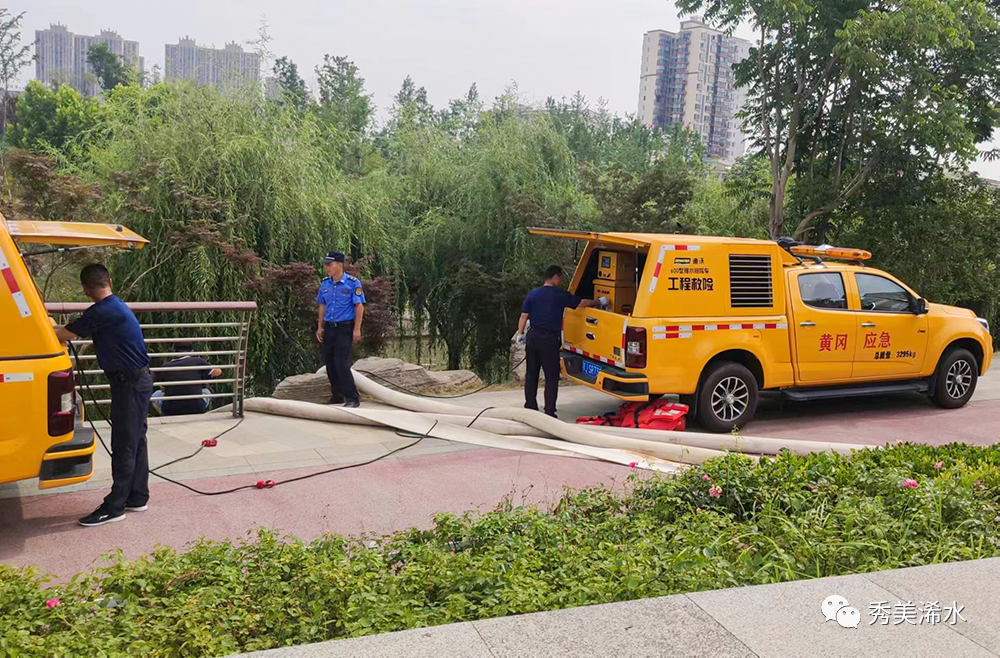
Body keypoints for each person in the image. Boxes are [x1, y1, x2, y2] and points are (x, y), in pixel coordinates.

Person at [55, 264, 152, 527]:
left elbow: (63, 334)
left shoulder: (101, 311)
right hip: (137, 381)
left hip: (129, 384)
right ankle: (137, 496)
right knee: (135, 440)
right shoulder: (115, 306)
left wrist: (46, 327)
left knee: (124, 444)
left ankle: (115, 506)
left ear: (86, 290)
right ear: (109, 280)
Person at [515, 265, 601, 418]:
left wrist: (520, 334)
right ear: (555, 277)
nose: (561, 281)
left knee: (532, 374)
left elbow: (524, 315)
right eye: (560, 278)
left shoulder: (533, 293)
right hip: (549, 339)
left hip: (532, 337)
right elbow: (581, 303)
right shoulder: (560, 294)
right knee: (551, 376)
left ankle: (530, 406)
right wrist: (598, 302)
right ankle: (549, 411)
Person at [316, 251, 365, 407]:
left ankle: (352, 398)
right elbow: (322, 305)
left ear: (339, 264)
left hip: (344, 327)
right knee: (329, 363)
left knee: (341, 363)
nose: (327, 268)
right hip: (329, 327)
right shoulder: (325, 283)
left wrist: (357, 329)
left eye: (330, 264)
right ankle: (337, 395)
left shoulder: (352, 283)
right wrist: (320, 327)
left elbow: (359, 306)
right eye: (326, 265)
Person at [151, 341, 222, 416]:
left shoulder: (166, 366)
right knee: (206, 391)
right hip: (196, 407)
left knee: (156, 394)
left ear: (175, 352)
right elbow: (218, 372)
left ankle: (166, 415)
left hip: (171, 409)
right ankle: (198, 413)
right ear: (192, 351)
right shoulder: (197, 361)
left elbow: (161, 385)